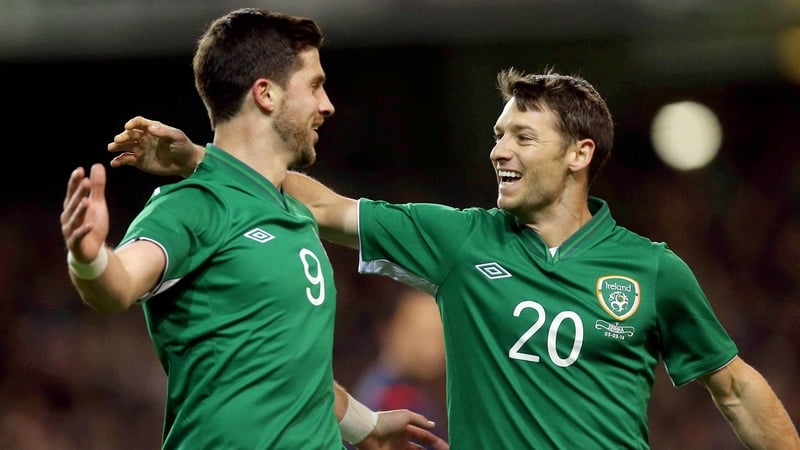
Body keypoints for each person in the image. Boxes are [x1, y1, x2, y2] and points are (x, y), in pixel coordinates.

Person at [105, 67, 800, 449]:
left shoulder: (651, 269)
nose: (498, 151)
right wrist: (203, 160)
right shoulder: (461, 240)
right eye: (498, 135)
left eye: (522, 137)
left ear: (579, 154)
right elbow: (324, 206)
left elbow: (736, 389)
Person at [60, 8, 447, 450]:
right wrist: (88, 257)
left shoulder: (294, 212)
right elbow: (117, 284)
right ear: (266, 94)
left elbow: (291, 370)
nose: (327, 105)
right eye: (315, 85)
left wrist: (366, 426)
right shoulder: (194, 204)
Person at [351, 287, 447, 449]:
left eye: (439, 334)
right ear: (389, 329)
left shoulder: (415, 388)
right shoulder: (392, 400)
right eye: (421, 334)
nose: (433, 347)